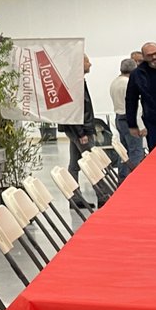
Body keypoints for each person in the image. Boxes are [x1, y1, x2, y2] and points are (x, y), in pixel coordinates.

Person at [61, 54, 102, 207]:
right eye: (86, 61)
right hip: (79, 129)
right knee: (91, 163)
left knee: (74, 164)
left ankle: (75, 198)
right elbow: (74, 109)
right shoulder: (74, 83)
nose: (90, 64)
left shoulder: (74, 81)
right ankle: (102, 194)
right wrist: (81, 133)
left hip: (76, 129)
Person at [109, 57, 147, 179]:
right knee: (136, 151)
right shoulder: (129, 83)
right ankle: (135, 178)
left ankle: (123, 177)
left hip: (119, 118)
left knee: (124, 152)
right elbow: (134, 106)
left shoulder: (115, 82)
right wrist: (140, 126)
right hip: (130, 119)